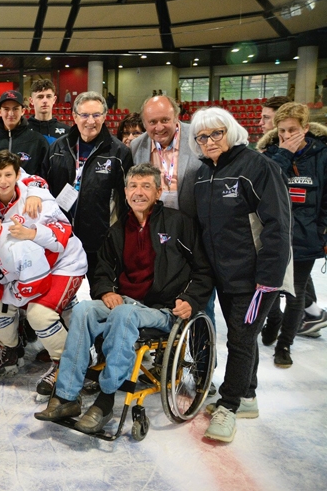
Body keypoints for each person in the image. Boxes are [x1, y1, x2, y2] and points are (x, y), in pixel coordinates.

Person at [34, 164, 212, 433]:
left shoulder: (179, 223)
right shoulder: (118, 229)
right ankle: (67, 395)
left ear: (158, 192)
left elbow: (203, 270)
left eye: (146, 186)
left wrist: (191, 299)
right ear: (125, 191)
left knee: (122, 314)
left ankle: (106, 399)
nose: (138, 192)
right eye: (133, 186)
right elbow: (102, 269)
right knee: (83, 311)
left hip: (163, 309)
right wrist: (106, 291)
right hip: (128, 303)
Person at [190, 106, 292, 443]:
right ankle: (247, 395)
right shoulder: (204, 173)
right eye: (202, 137)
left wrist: (269, 276)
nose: (209, 141)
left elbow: (278, 225)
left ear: (231, 131)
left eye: (216, 133)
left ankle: (229, 405)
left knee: (241, 338)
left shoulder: (257, 167)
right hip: (223, 274)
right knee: (242, 335)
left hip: (254, 276)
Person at [0, 199, 87, 395]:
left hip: (64, 264)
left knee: (39, 315)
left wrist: (7, 294)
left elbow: (38, 284)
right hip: (36, 272)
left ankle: (67, 365)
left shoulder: (16, 246)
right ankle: (10, 351)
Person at [257, 102, 327, 367]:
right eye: (282, 131)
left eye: (293, 130)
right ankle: (273, 319)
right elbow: (264, 187)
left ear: (305, 128)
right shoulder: (270, 155)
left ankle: (284, 345)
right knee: (270, 288)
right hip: (274, 235)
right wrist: (284, 154)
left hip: (306, 236)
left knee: (296, 293)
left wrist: (321, 232)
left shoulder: (322, 155)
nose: (287, 136)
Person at [41, 91, 133, 277]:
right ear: (74, 117)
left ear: (105, 117)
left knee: (96, 289)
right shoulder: (58, 148)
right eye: (84, 115)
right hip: (60, 239)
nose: (90, 121)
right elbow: (44, 189)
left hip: (99, 242)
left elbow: (126, 202)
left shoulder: (119, 153)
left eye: (96, 115)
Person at [131, 95, 200, 218]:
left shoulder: (197, 138)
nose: (159, 127)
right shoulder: (136, 146)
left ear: (176, 117)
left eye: (164, 120)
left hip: (192, 219)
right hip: (154, 219)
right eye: (152, 122)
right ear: (144, 124)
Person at [0, 90, 49, 176]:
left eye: (15, 109)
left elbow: (46, 174)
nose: (11, 113)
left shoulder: (37, 140)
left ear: (23, 111)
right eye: (6, 109)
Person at [27, 79, 70, 145]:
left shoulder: (67, 132)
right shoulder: (23, 131)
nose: (45, 100)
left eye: (48, 96)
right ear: (31, 100)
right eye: (40, 97)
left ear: (54, 99)